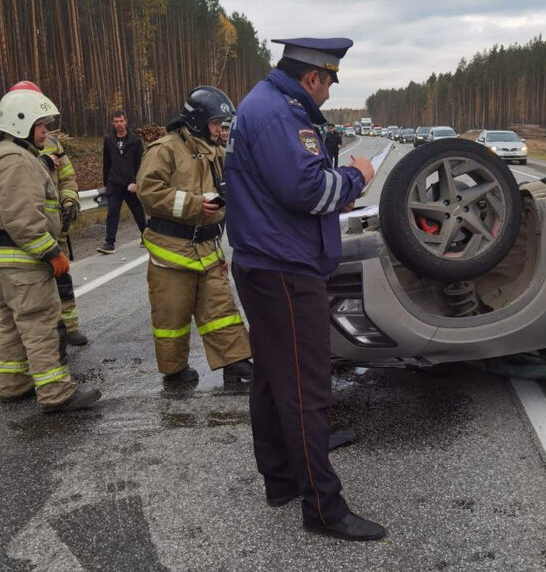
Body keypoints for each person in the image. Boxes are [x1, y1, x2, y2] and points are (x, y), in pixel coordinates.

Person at [225, 37, 385, 541]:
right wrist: (356, 178)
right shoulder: (280, 114)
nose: (328, 93)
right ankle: (323, 507)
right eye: (329, 82)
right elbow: (310, 190)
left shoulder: (267, 105)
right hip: (284, 269)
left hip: (269, 261)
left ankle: (282, 478)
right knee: (306, 389)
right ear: (313, 77)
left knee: (275, 378)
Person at [136, 86, 253, 386]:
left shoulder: (215, 152)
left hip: (207, 248)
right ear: (199, 120)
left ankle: (236, 361)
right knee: (171, 316)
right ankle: (174, 371)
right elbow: (149, 192)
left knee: (221, 308)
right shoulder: (164, 150)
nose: (219, 130)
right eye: (216, 123)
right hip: (171, 252)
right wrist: (194, 204)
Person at [0, 86, 102, 412]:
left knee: (10, 325)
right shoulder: (18, 161)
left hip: (5, 262)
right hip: (24, 261)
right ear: (21, 124)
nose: (46, 130)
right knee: (40, 325)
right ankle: (56, 394)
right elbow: (23, 218)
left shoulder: (7, 155)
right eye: (40, 124)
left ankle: (13, 385)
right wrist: (51, 252)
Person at [8, 81, 88, 346]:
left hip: (55, 228)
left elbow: (67, 175)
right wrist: (39, 162)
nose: (41, 126)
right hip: (26, 233)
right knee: (30, 290)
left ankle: (69, 325)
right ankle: (44, 336)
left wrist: (70, 200)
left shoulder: (52, 142)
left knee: (62, 278)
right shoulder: (9, 150)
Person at [98, 110, 147, 254]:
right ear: (112, 123)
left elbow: (141, 163)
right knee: (112, 212)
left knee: (137, 211)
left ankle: (145, 235)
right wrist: (106, 182)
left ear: (126, 121)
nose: (119, 124)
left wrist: (136, 182)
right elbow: (106, 162)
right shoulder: (109, 140)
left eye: (121, 121)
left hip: (131, 183)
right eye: (116, 121)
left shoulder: (135, 140)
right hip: (114, 182)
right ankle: (109, 242)